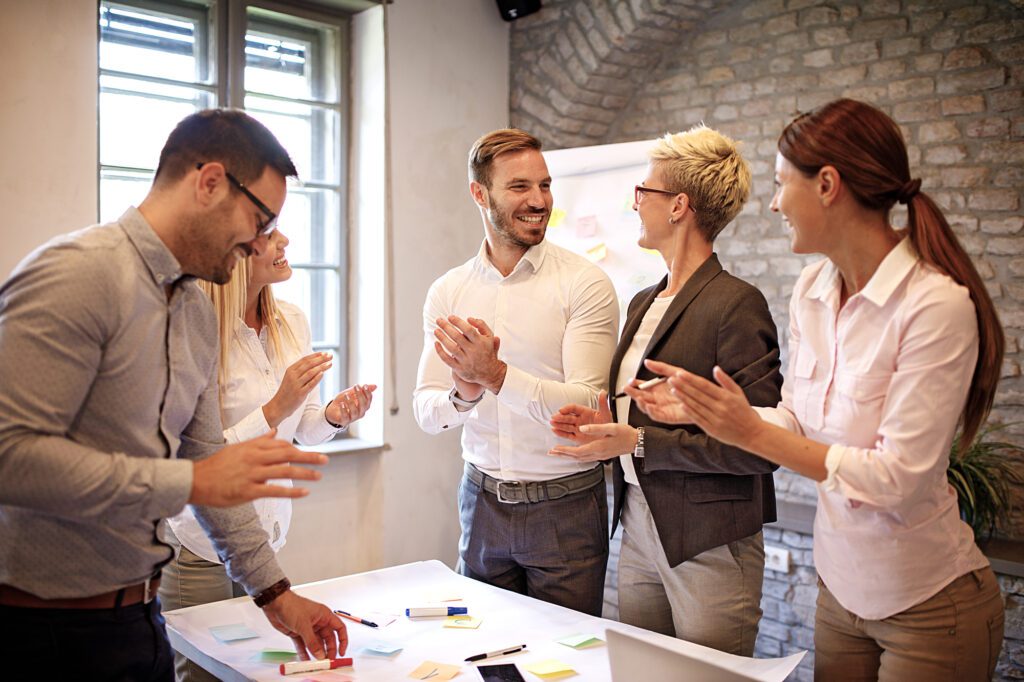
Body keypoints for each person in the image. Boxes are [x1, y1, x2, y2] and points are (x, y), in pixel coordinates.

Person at [637, 99, 1005, 680]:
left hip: (929, 604)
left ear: (828, 185)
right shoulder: (811, 288)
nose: (777, 202)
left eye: (785, 184)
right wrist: (713, 415)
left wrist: (749, 429)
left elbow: (897, 478)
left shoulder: (934, 305)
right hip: (839, 596)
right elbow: (796, 421)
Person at [0, 110, 347, 680]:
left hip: (139, 618)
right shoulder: (76, 276)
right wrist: (189, 482)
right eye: (260, 218)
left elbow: (208, 462)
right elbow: (12, 457)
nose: (264, 241)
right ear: (209, 182)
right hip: (40, 633)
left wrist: (277, 595)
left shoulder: (194, 311)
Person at [547, 125, 781, 655]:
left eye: (643, 192)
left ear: (678, 206)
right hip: (637, 524)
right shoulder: (641, 302)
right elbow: (640, 416)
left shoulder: (737, 305)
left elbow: (758, 445)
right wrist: (603, 425)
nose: (635, 205)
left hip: (710, 539)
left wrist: (637, 442)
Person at [412, 128, 618, 616]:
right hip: (481, 504)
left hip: (567, 508)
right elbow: (426, 410)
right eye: (520, 187)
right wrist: (463, 394)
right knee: (488, 656)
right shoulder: (449, 291)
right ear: (479, 194)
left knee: (567, 660)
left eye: (545, 186)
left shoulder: (585, 283)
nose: (539, 200)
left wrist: (495, 375)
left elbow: (588, 403)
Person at [161, 228, 375, 682]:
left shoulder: (292, 320)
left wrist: (335, 416)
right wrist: (274, 408)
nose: (287, 242)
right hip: (197, 544)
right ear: (235, 252)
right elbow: (195, 455)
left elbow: (305, 429)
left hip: (264, 540)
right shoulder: (197, 330)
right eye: (270, 234)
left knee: (256, 672)